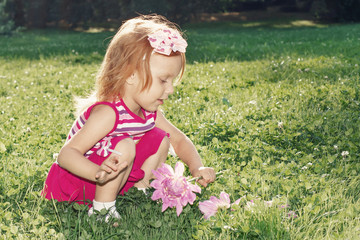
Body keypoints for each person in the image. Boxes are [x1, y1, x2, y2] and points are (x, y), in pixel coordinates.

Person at [42, 14, 216, 222]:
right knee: (125, 145)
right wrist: (98, 172)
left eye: (172, 81)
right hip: (77, 182)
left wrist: (197, 167)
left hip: (111, 177)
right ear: (130, 74)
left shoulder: (149, 112)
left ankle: (138, 192)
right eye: (163, 80)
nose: (170, 90)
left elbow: (179, 140)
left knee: (161, 137)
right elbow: (67, 155)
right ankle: (102, 210)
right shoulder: (108, 113)